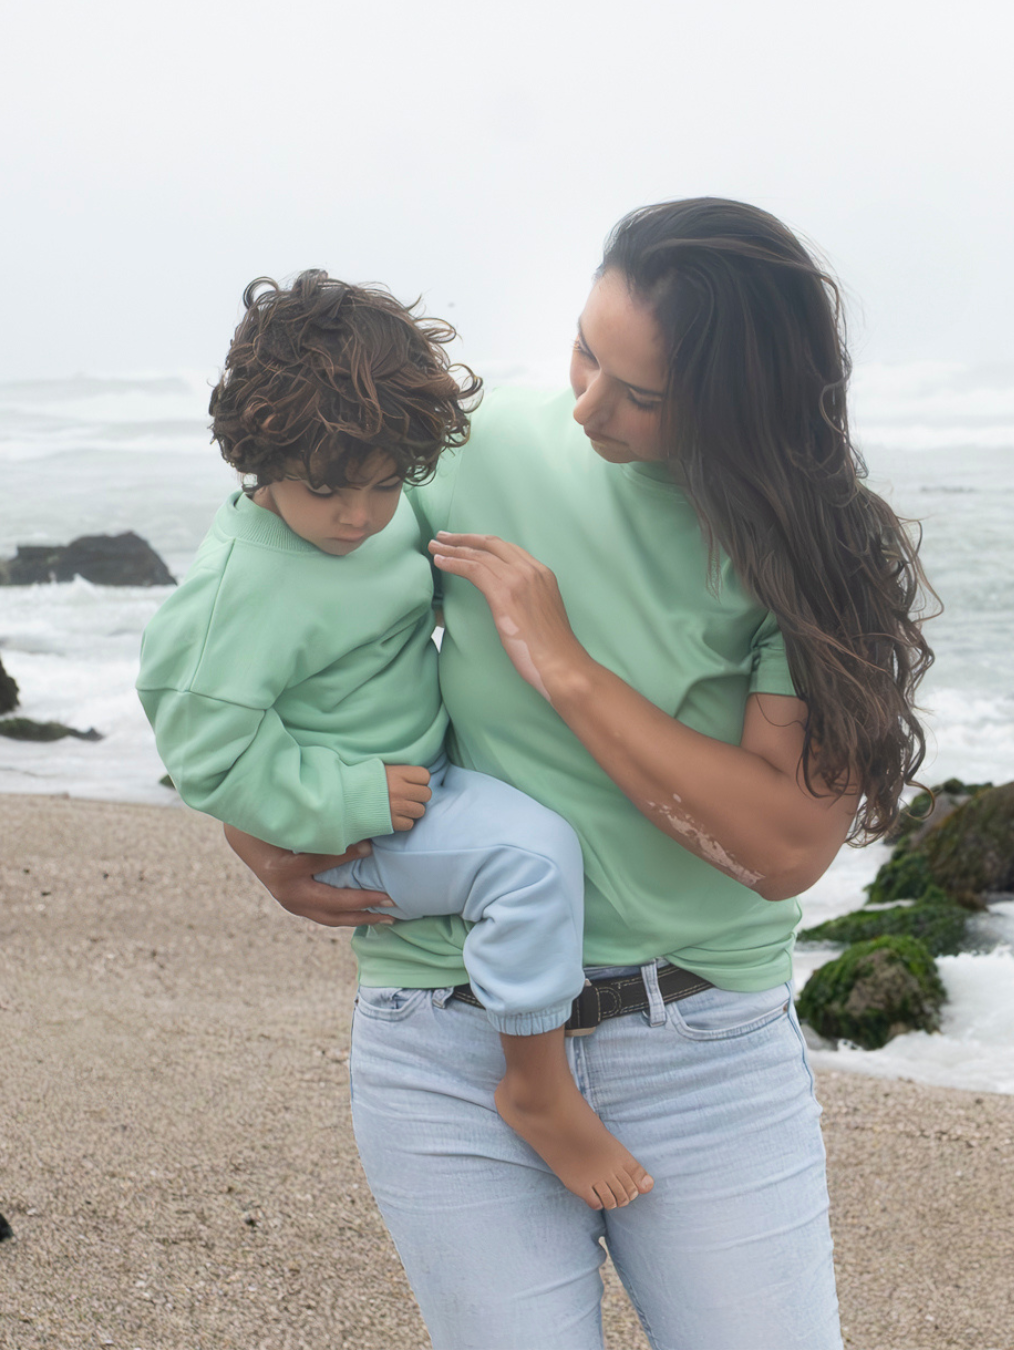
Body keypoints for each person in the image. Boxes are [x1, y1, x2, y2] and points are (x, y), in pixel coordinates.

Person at [224, 200, 934, 1350]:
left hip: (704, 1052)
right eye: (583, 352)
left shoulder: (819, 550)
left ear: (741, 395)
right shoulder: (474, 447)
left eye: (639, 395)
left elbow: (782, 847)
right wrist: (254, 825)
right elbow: (262, 593)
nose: (586, 405)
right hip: (445, 1037)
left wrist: (565, 668)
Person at [137, 270, 656, 1213]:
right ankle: (537, 1087)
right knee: (534, 860)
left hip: (424, 778)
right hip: (362, 823)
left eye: (386, 484)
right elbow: (206, 753)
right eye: (332, 490)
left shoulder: (380, 507)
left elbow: (448, 489)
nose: (362, 517)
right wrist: (349, 800)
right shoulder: (232, 593)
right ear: (258, 452)